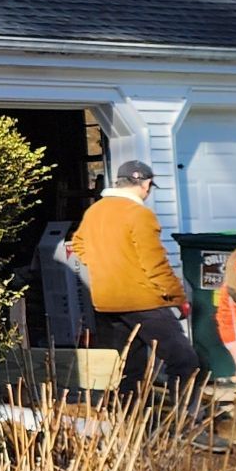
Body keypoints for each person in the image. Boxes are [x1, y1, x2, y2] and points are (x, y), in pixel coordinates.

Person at [69, 160, 202, 389]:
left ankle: (129, 418)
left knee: (129, 369)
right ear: (146, 184)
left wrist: (107, 265)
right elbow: (155, 264)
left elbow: (77, 244)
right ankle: (185, 418)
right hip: (141, 302)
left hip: (106, 303)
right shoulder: (140, 214)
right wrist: (178, 298)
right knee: (184, 360)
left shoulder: (94, 211)